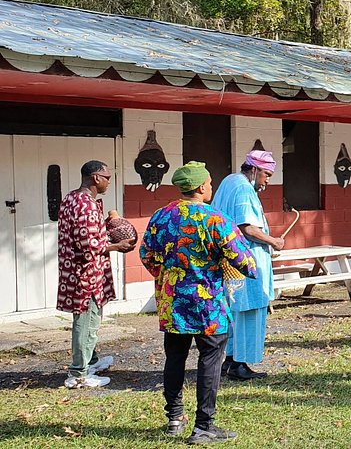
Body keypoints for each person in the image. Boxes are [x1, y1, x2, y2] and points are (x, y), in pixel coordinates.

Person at [141, 161, 257, 444]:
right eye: (210, 182)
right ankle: (204, 426)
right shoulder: (216, 219)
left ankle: (174, 418)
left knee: (175, 358)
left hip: (173, 304)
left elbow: (147, 255)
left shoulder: (161, 216)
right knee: (210, 361)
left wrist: (168, 278)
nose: (211, 186)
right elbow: (246, 262)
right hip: (209, 306)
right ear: (203, 187)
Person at [57, 160, 136, 388]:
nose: (109, 181)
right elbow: (87, 246)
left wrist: (105, 225)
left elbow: (85, 233)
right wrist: (117, 246)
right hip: (85, 274)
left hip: (76, 271)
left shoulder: (72, 198)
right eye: (107, 177)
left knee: (89, 317)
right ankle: (79, 374)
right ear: (96, 178)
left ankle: (90, 362)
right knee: (87, 320)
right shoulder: (86, 205)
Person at [212, 150, 285, 381]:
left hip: (229, 260)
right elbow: (247, 228)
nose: (267, 181)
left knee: (234, 311)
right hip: (246, 261)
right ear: (253, 169)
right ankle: (239, 364)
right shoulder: (244, 188)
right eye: (266, 175)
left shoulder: (229, 181)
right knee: (248, 310)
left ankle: (229, 359)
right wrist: (273, 241)